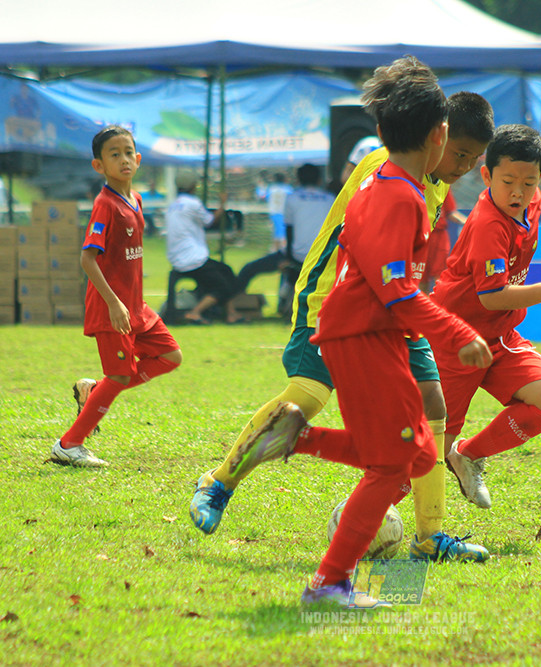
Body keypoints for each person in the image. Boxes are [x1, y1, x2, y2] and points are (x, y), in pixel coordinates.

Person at [206, 56, 492, 607]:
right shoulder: (397, 193)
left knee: (414, 451)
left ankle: (299, 439)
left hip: (372, 333)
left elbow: (393, 286)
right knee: (392, 464)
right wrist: (455, 330)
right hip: (362, 335)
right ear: (439, 135)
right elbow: (396, 292)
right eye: (459, 152)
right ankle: (330, 583)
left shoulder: (401, 185)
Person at [430, 124, 541, 509]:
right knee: (430, 448)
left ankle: (468, 455)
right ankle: (375, 512)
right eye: (508, 180)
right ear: (486, 175)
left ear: (540, 179)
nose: (518, 191)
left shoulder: (532, 201)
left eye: (528, 182)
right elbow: (493, 295)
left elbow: (499, 302)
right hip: (457, 339)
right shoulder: (486, 226)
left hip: (498, 336)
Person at [51, 125, 183, 467]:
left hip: (136, 306)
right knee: (121, 375)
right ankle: (69, 444)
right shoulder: (105, 205)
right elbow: (87, 258)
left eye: (128, 153)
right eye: (114, 154)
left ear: (138, 159)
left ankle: (94, 392)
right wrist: (113, 303)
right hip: (112, 308)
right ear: (99, 166)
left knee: (170, 356)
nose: (123, 159)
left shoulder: (135, 200)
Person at [234, 163, 335, 317]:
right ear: (320, 180)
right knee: (293, 273)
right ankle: (285, 304)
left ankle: (232, 306)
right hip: (321, 256)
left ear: (298, 180)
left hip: (296, 255)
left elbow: (289, 230)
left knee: (249, 269)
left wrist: (288, 258)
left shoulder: (292, 198)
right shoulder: (330, 199)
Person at [164, 170, 241, 324]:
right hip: (194, 259)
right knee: (225, 286)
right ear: (193, 186)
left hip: (177, 259)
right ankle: (195, 312)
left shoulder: (172, 206)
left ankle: (231, 313)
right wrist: (222, 204)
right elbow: (209, 221)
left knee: (225, 270)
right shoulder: (193, 204)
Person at [262, 172, 294, 252]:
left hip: (274, 212)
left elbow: (266, 197)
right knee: (282, 232)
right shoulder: (288, 189)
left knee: (277, 231)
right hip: (284, 212)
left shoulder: (271, 188)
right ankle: (281, 250)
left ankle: (276, 249)